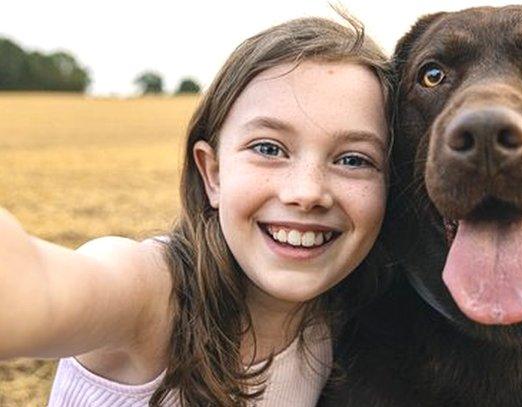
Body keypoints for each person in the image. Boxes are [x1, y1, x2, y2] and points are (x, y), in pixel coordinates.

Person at [0, 13, 393, 407]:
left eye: (354, 160)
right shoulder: (150, 295)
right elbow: (38, 287)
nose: (307, 193)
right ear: (213, 174)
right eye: (269, 149)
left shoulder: (349, 318)